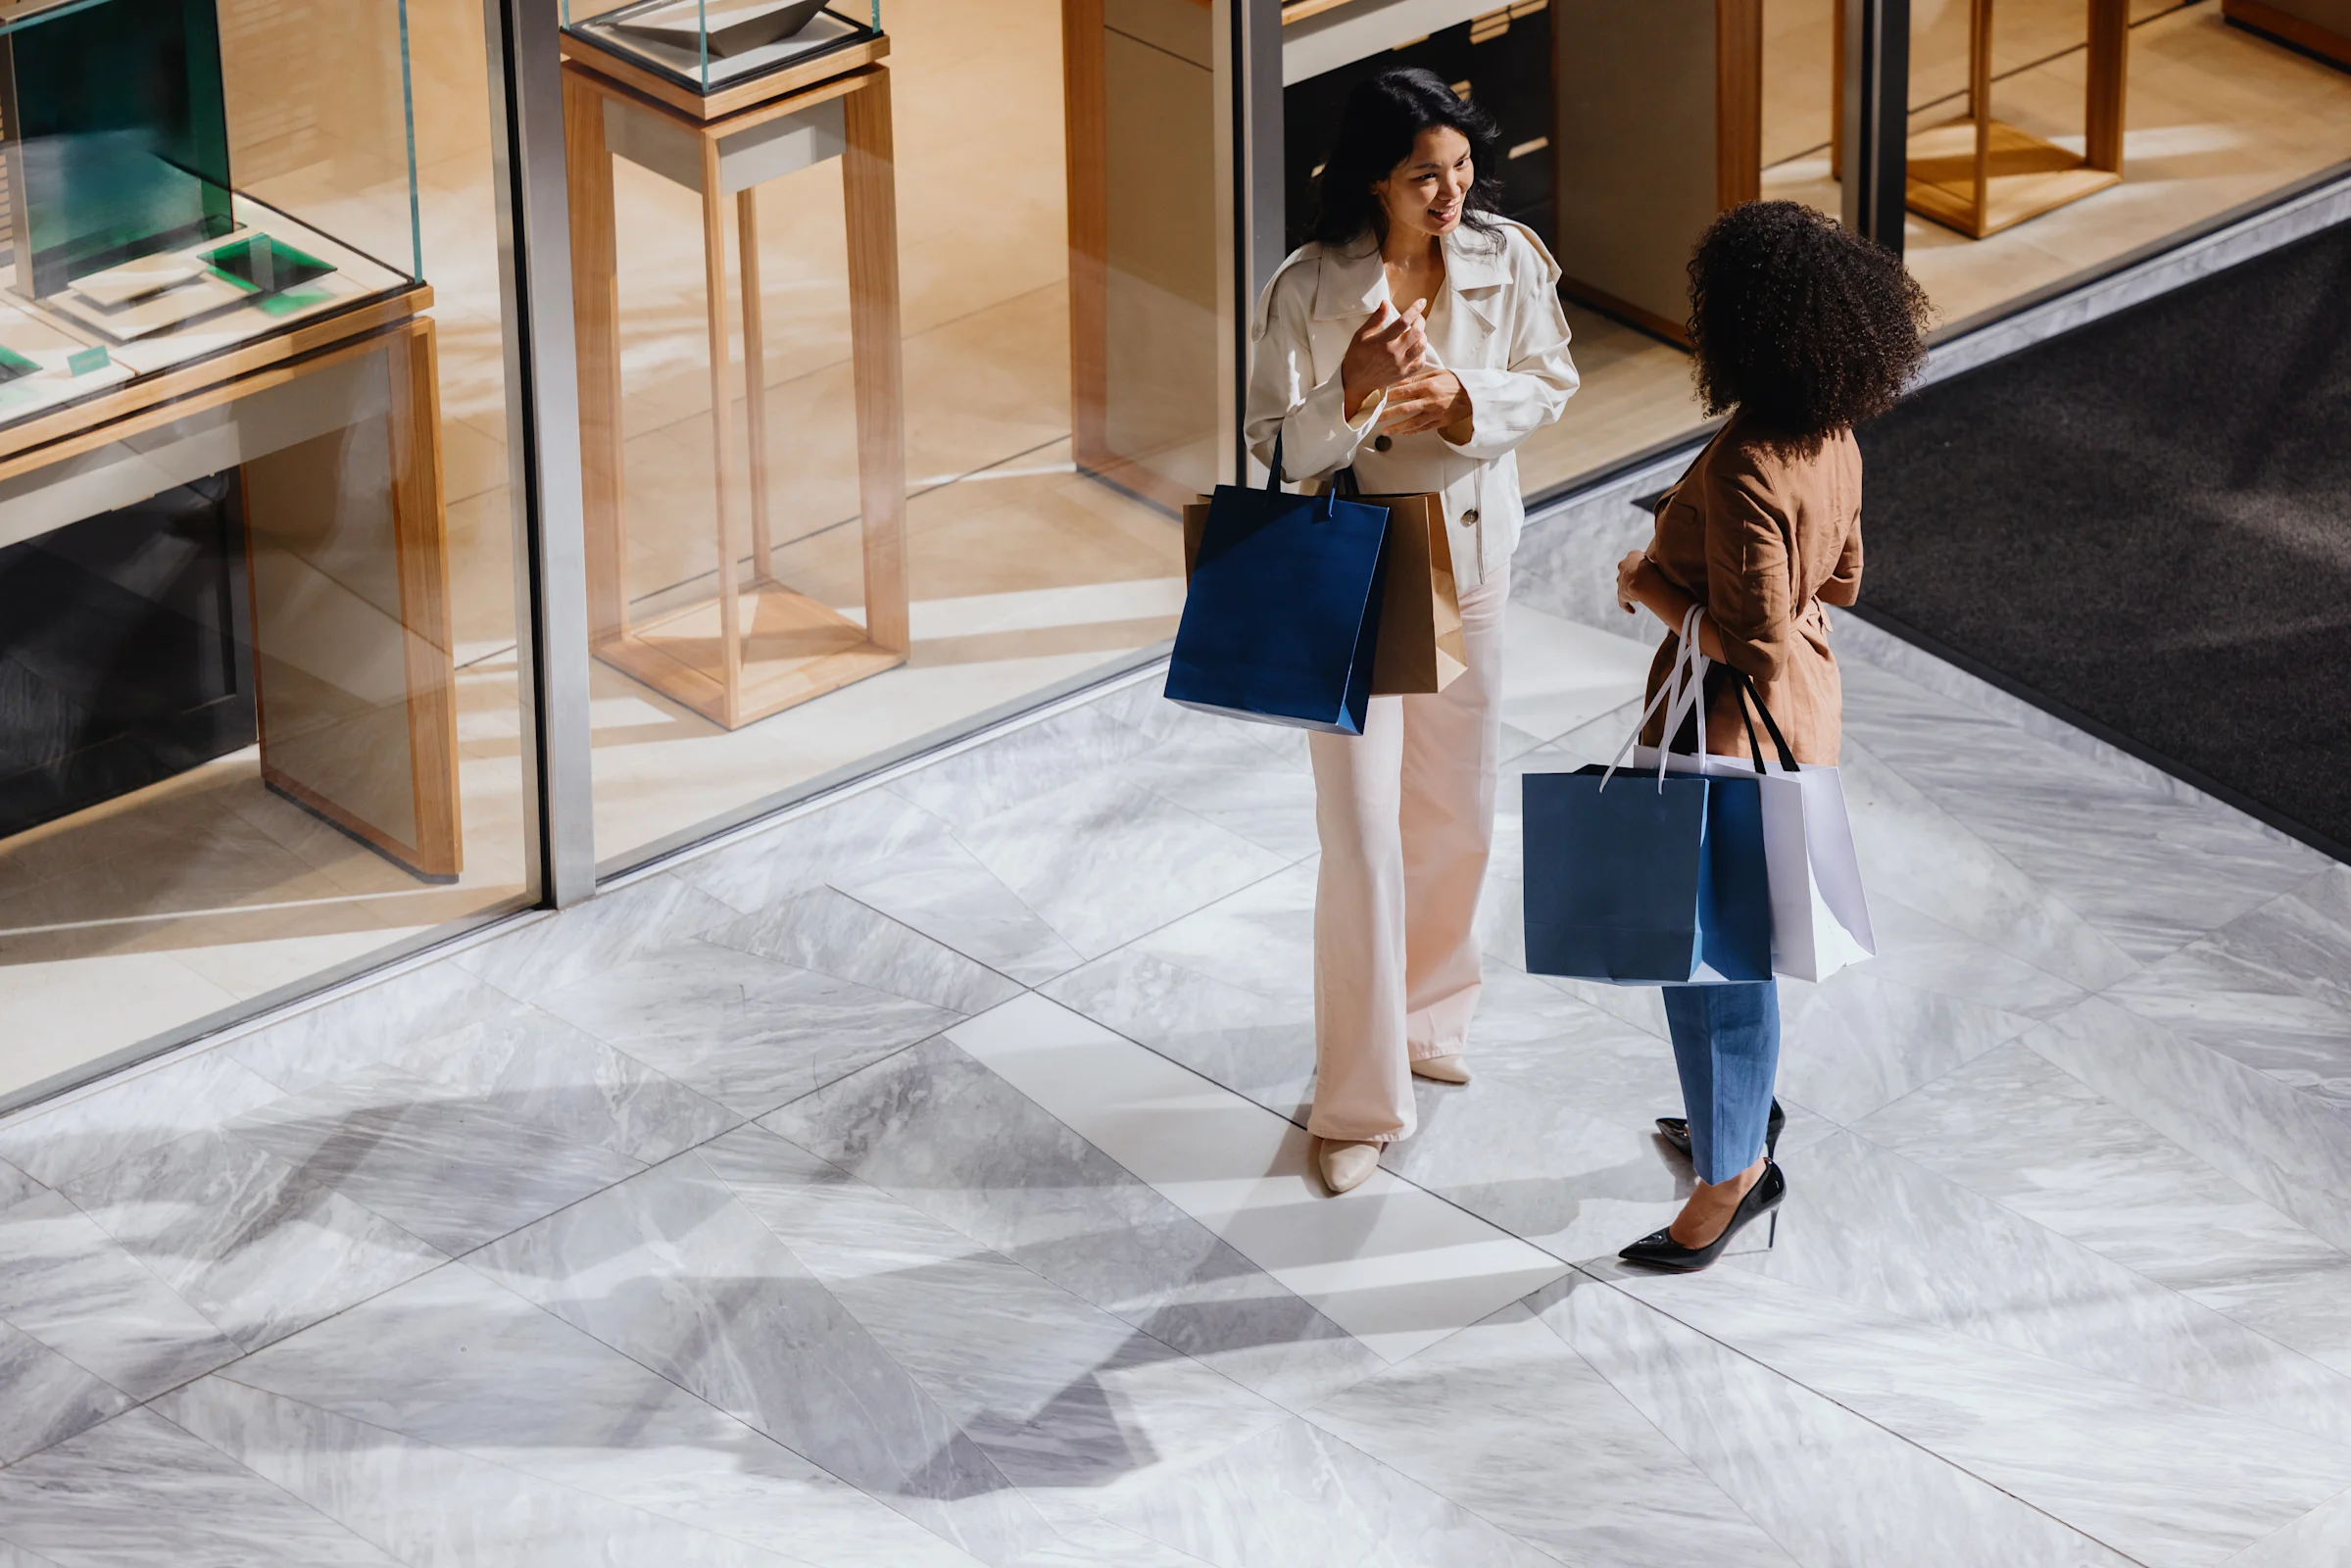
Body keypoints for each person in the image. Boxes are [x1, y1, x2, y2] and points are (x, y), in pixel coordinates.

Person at [1246, 69, 1579, 1196]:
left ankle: (1432, 1018)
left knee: (1451, 811)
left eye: (1458, 169)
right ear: (1373, 181)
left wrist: (1466, 401)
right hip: (1356, 569)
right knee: (1358, 835)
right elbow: (1273, 450)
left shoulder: (1507, 258)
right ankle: (1353, 1102)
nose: (1448, 193)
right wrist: (1348, 392)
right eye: (1421, 175)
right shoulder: (1307, 285)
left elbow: (1552, 379)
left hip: (1470, 559)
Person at [1612, 200, 1930, 1268]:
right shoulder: (1831, 426)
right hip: (1803, 714)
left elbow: (1743, 641)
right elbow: (1837, 578)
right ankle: (1733, 1119)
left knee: (1707, 957)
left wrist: (1646, 581)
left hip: (1726, 733)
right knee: (1731, 938)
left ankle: (1731, 1170)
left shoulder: (1748, 455)